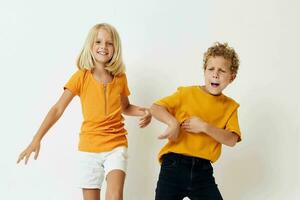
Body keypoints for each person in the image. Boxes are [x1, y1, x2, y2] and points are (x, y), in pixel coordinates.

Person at [17, 23, 152, 200]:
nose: (103, 47)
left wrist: (145, 112)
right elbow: (58, 108)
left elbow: (125, 107)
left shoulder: (120, 77)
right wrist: (37, 138)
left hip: (116, 144)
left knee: (115, 195)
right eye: (98, 42)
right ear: (91, 46)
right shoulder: (81, 76)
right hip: (89, 148)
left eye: (109, 43)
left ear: (115, 48)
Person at [151, 42, 241, 200]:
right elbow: (156, 107)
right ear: (204, 71)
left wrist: (205, 127)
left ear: (231, 77)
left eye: (222, 71)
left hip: (203, 172)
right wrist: (172, 123)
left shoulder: (230, 107)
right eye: (211, 69)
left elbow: (232, 139)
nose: (215, 74)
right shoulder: (186, 93)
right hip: (173, 166)